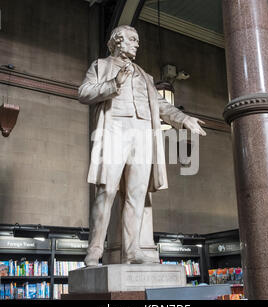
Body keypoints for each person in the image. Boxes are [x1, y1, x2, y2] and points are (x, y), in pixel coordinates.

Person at [78, 25, 206, 266]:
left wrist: (183, 119)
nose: (137, 44)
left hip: (143, 133)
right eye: (133, 39)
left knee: (137, 194)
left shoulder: (145, 76)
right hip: (115, 129)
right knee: (106, 191)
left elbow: (161, 106)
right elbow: (84, 93)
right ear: (118, 41)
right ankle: (94, 252)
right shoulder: (101, 66)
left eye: (137, 40)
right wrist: (114, 84)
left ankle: (132, 250)